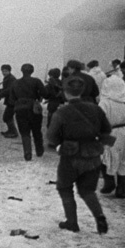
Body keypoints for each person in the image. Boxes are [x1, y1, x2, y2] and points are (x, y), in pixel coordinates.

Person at [47, 76, 111, 234]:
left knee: (64, 187)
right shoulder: (96, 109)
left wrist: (60, 144)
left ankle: (72, 222)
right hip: (93, 156)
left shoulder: (62, 112)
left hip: (70, 156)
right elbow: (107, 129)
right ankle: (100, 218)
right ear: (81, 91)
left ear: (66, 93)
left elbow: (51, 136)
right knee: (88, 191)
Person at [98, 75, 125, 198]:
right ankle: (123, 188)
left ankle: (109, 181)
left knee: (105, 157)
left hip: (112, 132)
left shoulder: (105, 102)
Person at [10, 63, 47, 160]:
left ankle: (27, 153)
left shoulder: (15, 83)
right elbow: (45, 93)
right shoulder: (37, 81)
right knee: (37, 131)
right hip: (33, 108)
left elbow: (11, 99)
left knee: (24, 132)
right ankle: (39, 151)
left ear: (21, 71)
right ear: (32, 71)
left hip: (20, 109)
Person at [0, 65, 18, 138]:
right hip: (11, 100)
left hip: (13, 101)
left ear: (9, 71)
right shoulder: (8, 78)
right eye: (3, 71)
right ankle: (11, 131)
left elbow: (9, 90)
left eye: (6, 71)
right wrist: (0, 93)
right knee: (8, 117)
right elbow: (6, 89)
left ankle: (13, 132)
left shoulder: (11, 79)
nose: (4, 73)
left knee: (7, 117)